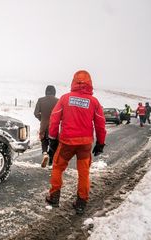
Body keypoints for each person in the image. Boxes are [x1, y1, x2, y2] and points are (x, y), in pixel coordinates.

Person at [45, 70, 106, 215]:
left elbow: (54, 119)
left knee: (58, 167)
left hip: (66, 142)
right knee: (84, 173)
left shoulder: (65, 99)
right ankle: (81, 203)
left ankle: (54, 197)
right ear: (89, 83)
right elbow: (100, 124)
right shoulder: (94, 102)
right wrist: (100, 143)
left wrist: (53, 139)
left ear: (73, 81)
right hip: (85, 144)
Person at [34, 85, 59, 168]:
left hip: (43, 125)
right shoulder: (58, 101)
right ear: (54, 92)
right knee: (54, 143)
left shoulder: (40, 100)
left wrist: (42, 119)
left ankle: (45, 153)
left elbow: (36, 113)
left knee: (44, 140)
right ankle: (51, 162)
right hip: (54, 125)